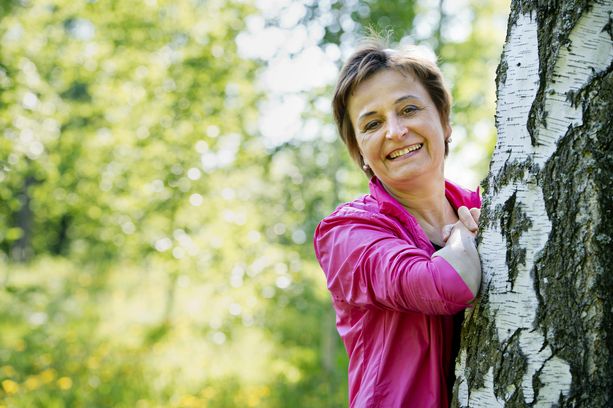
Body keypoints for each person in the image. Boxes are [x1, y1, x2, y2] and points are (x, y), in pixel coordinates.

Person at [313, 41, 483, 408]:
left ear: (444, 120)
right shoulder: (346, 233)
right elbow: (448, 284)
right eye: (372, 123)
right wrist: (460, 237)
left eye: (408, 109)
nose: (395, 131)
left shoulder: (488, 207)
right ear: (359, 151)